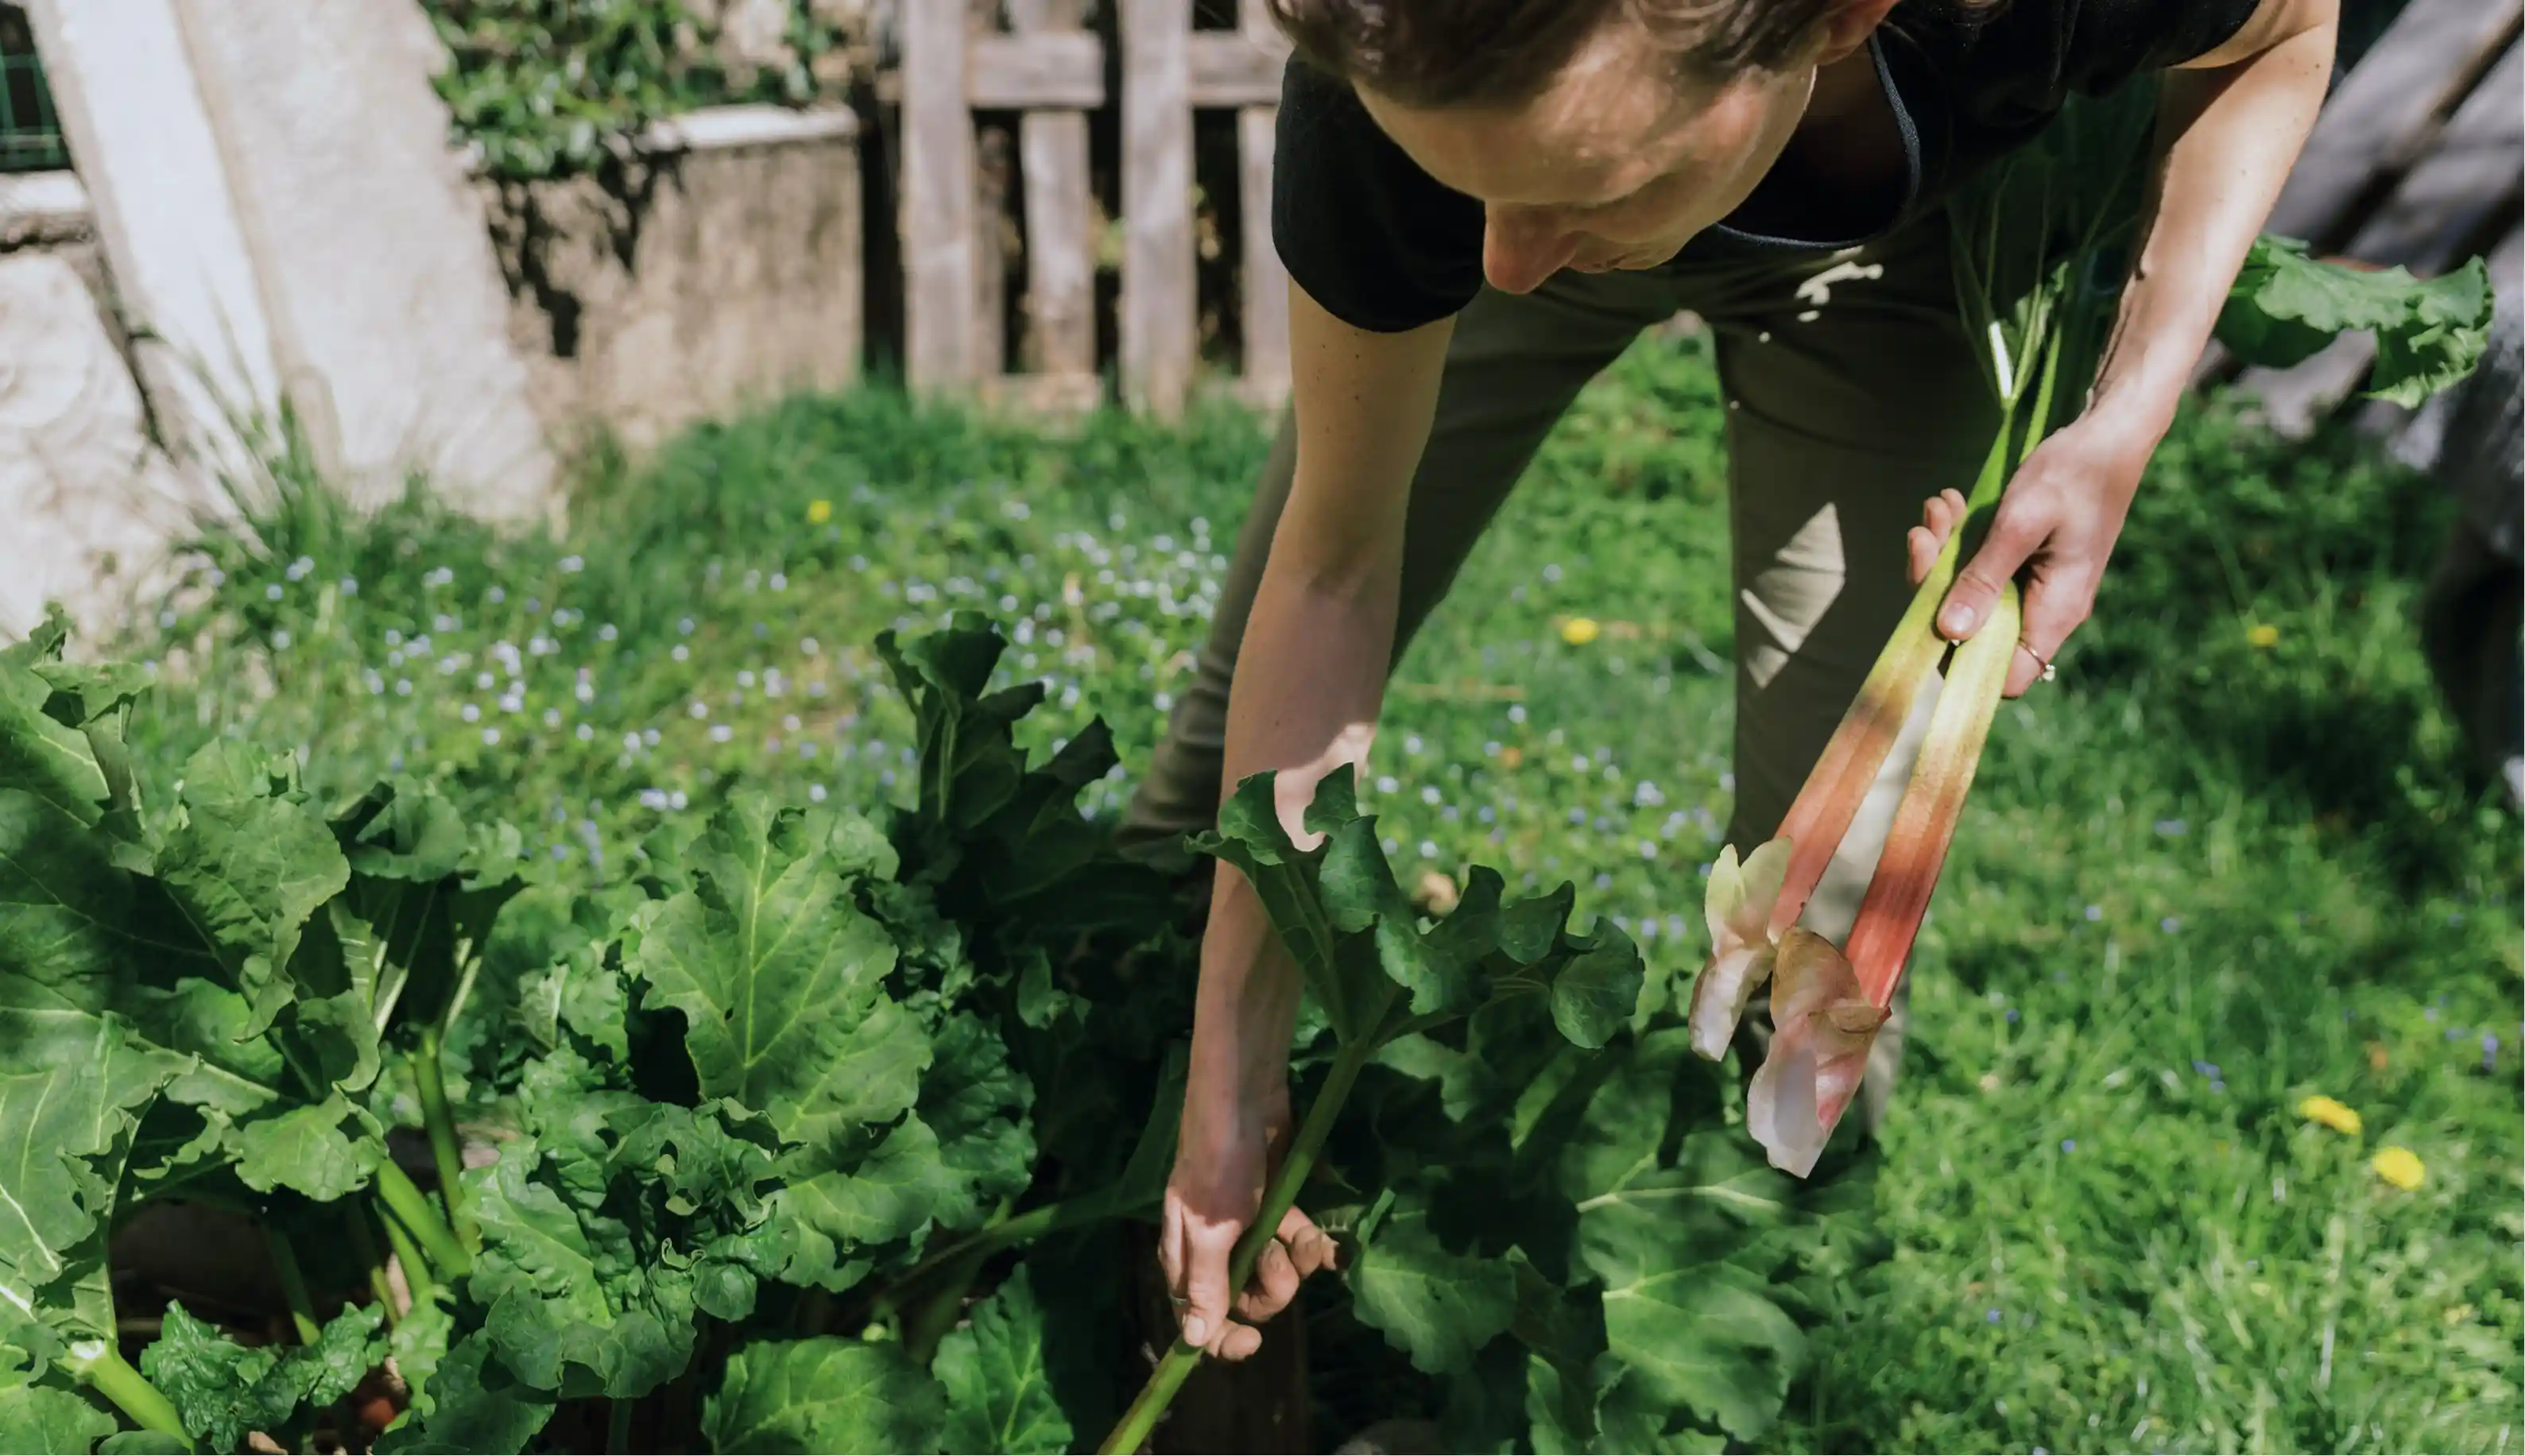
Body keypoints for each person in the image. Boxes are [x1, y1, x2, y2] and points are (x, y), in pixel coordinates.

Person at [1114, 0, 2341, 1365]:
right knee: (1208, 808)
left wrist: (2124, 417)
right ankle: (1106, 1119)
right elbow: (1335, 569)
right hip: (1528, 157)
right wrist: (1228, 1070)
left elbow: (2287, 28)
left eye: (1604, 175)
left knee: (1825, 920)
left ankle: (1737, 1328)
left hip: (1888, 261)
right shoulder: (1405, 93)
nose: (1504, 269)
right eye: (1481, 195)